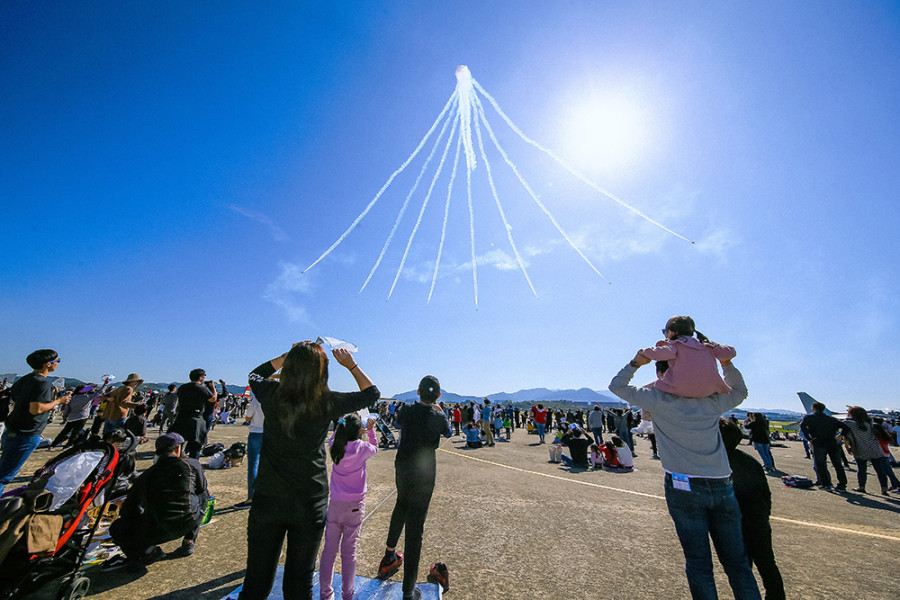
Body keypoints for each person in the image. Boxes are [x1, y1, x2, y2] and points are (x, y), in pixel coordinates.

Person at [609, 352, 761, 600]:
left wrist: (636, 362)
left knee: (699, 563)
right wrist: (726, 363)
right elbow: (739, 391)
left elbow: (617, 386)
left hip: (683, 485)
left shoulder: (658, 399)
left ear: (662, 374)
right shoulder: (712, 401)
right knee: (738, 563)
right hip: (722, 483)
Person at [238, 342, 378, 600]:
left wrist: (284, 356)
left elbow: (254, 375)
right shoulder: (327, 401)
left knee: (257, 579)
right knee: (300, 581)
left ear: (289, 367)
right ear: (322, 372)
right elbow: (371, 394)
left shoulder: (271, 393)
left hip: (268, 498)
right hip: (309, 499)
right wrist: (351, 365)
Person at [377, 375, 452, 600]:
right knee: (415, 528)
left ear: (418, 392)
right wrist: (439, 411)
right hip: (425, 471)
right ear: (438, 395)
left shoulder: (407, 411)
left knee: (400, 505)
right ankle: (408, 591)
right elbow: (448, 432)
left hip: (403, 466)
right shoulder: (438, 415)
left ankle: (389, 555)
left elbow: (397, 423)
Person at [100, 432, 209, 572]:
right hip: (190, 520)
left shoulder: (147, 475)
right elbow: (202, 490)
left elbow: (129, 509)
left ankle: (144, 553)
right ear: (178, 449)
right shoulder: (192, 465)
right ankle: (189, 540)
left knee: (118, 527)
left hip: (156, 530)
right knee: (202, 495)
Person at [720, 419, 785, 600]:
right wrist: (764, 515)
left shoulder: (719, 465)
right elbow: (766, 494)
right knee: (767, 564)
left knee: (741, 568)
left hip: (737, 523)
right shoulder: (750, 461)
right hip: (758, 519)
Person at [319, 413, 378, 600]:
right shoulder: (362, 449)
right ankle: (347, 594)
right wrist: (371, 431)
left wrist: (342, 423)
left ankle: (325, 594)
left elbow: (335, 436)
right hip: (355, 505)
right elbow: (375, 447)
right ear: (359, 431)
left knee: (329, 550)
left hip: (336, 503)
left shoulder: (335, 446)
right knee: (349, 552)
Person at [0, 350, 70, 493]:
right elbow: (36, 409)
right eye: (58, 360)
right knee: (5, 476)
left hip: (13, 428)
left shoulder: (24, 379)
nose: (58, 363)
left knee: (4, 467)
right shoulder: (42, 384)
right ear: (48, 364)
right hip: (27, 433)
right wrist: (59, 401)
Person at [639, 315, 736, 398]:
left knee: (642, 392)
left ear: (672, 332)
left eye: (665, 332)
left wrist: (644, 352)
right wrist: (713, 345)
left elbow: (659, 354)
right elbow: (730, 353)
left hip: (680, 387)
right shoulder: (706, 345)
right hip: (710, 389)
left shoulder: (675, 344)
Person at [799, 401, 849, 490]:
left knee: (821, 464)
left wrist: (809, 438)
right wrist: (840, 435)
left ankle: (826, 483)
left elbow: (802, 426)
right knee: (837, 464)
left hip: (818, 442)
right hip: (832, 442)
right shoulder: (831, 419)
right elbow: (845, 427)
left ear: (813, 408)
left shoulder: (809, 417)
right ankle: (842, 484)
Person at [843, 406, 890, 495]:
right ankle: (884, 488)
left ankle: (861, 487)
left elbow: (846, 436)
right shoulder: (869, 422)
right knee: (880, 470)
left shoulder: (849, 423)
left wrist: (847, 448)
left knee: (862, 470)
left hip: (860, 449)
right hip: (875, 449)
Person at [170, 369, 217, 459]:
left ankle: (177, 462)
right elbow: (213, 399)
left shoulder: (182, 387)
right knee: (195, 446)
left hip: (181, 417)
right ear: (200, 377)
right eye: (204, 375)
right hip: (196, 418)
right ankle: (194, 466)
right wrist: (213, 387)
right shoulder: (202, 388)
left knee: (179, 443)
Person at [234, 395, 264, 509]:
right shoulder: (278, 395)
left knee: (253, 466)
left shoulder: (257, 399)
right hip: (272, 433)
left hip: (256, 432)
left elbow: (247, 418)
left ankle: (251, 497)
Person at [98, 373, 145, 438]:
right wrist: (137, 405)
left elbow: (102, 397)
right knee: (116, 437)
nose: (136, 383)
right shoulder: (129, 389)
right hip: (118, 414)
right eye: (136, 381)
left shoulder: (119, 388)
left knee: (106, 436)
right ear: (131, 381)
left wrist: (109, 399)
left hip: (109, 414)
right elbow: (124, 402)